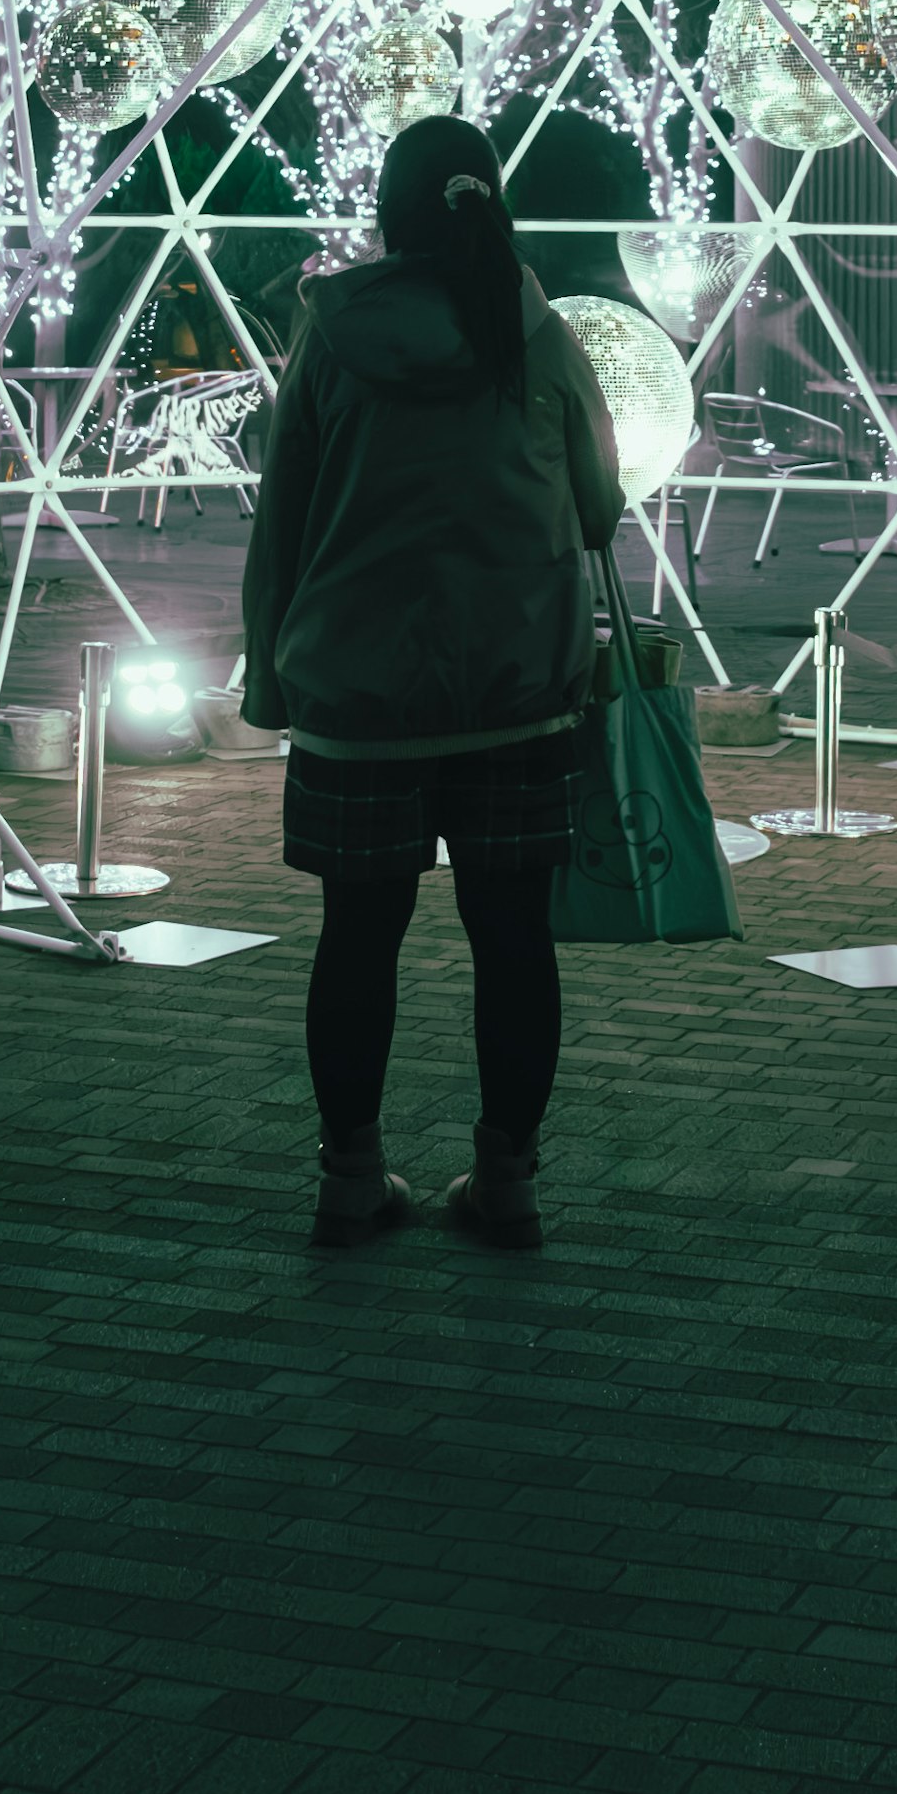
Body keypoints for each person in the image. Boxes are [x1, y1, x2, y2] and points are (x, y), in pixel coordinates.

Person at [239, 113, 625, 1251]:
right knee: (514, 937)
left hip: (356, 698)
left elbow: (284, 520)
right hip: (518, 692)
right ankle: (507, 1181)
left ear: (387, 211)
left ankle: (350, 1180)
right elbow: (601, 506)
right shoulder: (537, 332)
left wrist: (272, 679)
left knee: (357, 936)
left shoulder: (332, 332)